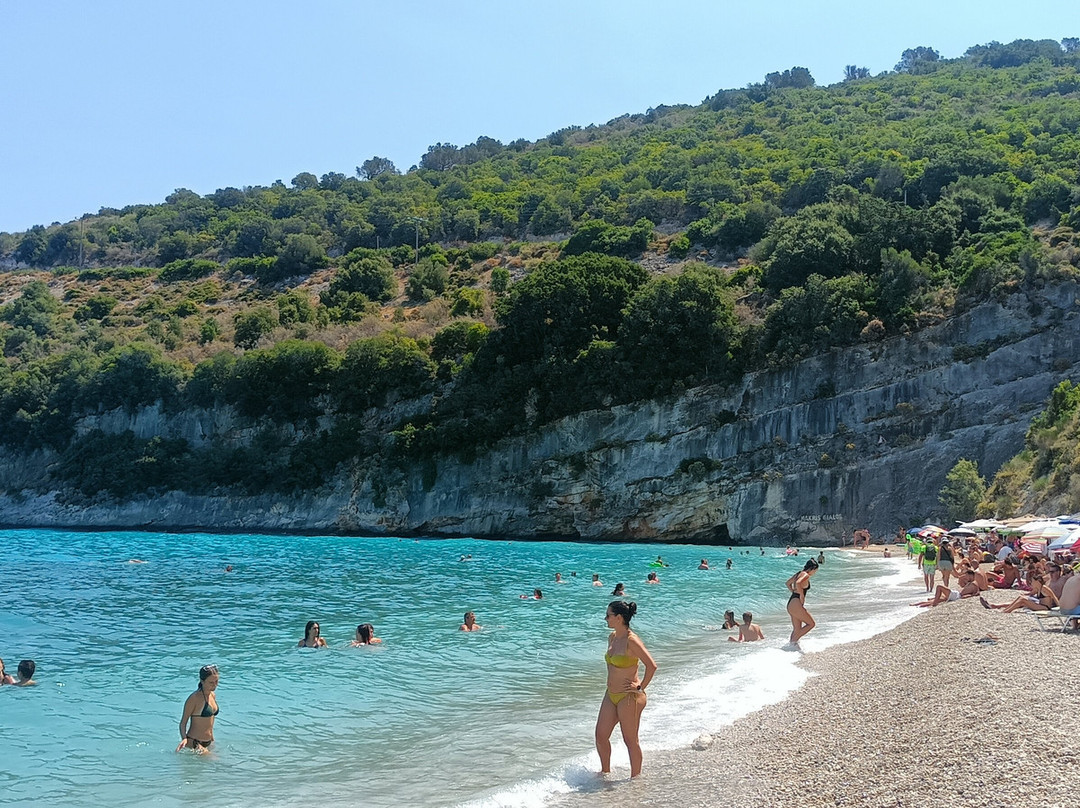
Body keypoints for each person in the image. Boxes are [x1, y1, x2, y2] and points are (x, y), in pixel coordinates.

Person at [595, 600, 658, 779]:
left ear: (619, 617)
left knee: (630, 740)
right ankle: (605, 774)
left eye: (608, 615)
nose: (605, 618)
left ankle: (635, 779)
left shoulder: (632, 641)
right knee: (601, 735)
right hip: (611, 694)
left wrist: (640, 687)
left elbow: (652, 666)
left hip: (629, 697)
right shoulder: (613, 637)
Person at [176, 665, 219, 753]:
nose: (215, 685)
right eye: (211, 682)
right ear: (202, 681)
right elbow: (183, 723)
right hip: (195, 743)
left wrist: (212, 740)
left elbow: (210, 721)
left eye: (216, 681)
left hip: (209, 742)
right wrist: (184, 738)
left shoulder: (212, 695)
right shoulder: (194, 698)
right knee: (219, 763)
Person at [980, 576, 1058, 613]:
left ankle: (1005, 611)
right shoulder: (1038, 588)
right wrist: (1024, 594)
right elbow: (1030, 594)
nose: (1031, 583)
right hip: (1039, 604)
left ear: (1037, 581)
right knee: (1021, 598)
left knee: (1022, 600)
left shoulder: (1044, 588)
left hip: (1045, 607)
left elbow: (1053, 596)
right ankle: (995, 606)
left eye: (1033, 581)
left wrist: (1059, 609)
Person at [786, 559, 819, 645]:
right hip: (796, 603)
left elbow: (787, 583)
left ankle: (792, 647)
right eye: (815, 571)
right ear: (812, 568)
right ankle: (793, 642)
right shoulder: (806, 575)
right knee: (811, 624)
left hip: (791, 602)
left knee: (797, 629)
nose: (814, 573)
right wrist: (801, 595)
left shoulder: (798, 573)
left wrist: (793, 591)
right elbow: (798, 583)